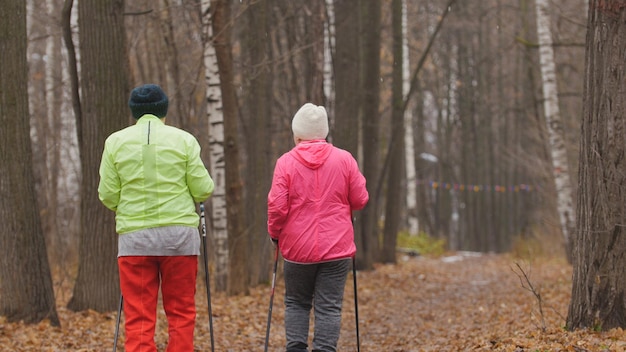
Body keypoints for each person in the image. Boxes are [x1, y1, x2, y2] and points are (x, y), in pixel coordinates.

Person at [98, 84, 214, 352]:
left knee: (139, 319)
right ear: (164, 109)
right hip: (179, 239)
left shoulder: (115, 142)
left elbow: (107, 194)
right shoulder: (184, 140)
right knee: (181, 313)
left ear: (133, 112)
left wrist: (126, 206)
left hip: (135, 239)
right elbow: (203, 188)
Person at [267, 103, 369, 352]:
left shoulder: (285, 163)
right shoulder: (344, 159)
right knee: (329, 306)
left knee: (296, 302)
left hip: (297, 249)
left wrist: (274, 234)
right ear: (323, 132)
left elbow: (277, 207)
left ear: (298, 133)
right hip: (337, 248)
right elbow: (359, 199)